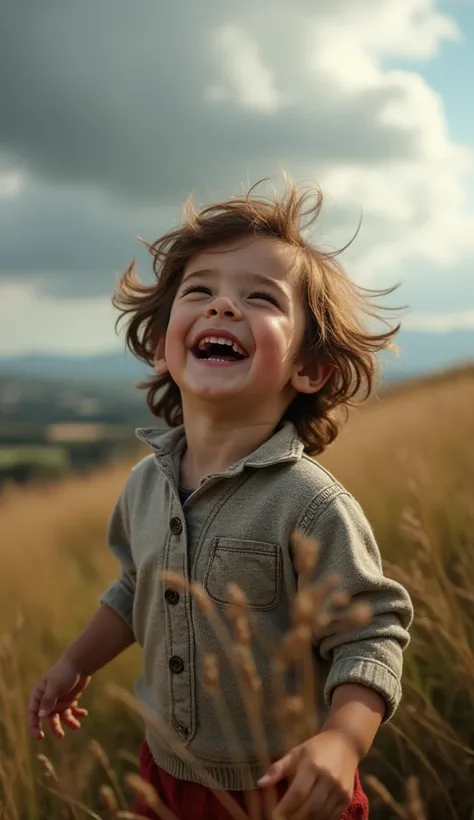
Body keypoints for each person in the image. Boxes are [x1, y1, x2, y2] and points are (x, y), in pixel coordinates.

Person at [28, 181, 413, 820]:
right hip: (167, 777)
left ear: (308, 369)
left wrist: (343, 742)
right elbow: (134, 588)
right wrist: (75, 661)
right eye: (199, 291)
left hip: (284, 786)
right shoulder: (144, 486)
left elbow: (370, 633)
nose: (223, 307)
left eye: (259, 297)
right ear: (161, 348)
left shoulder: (310, 505)